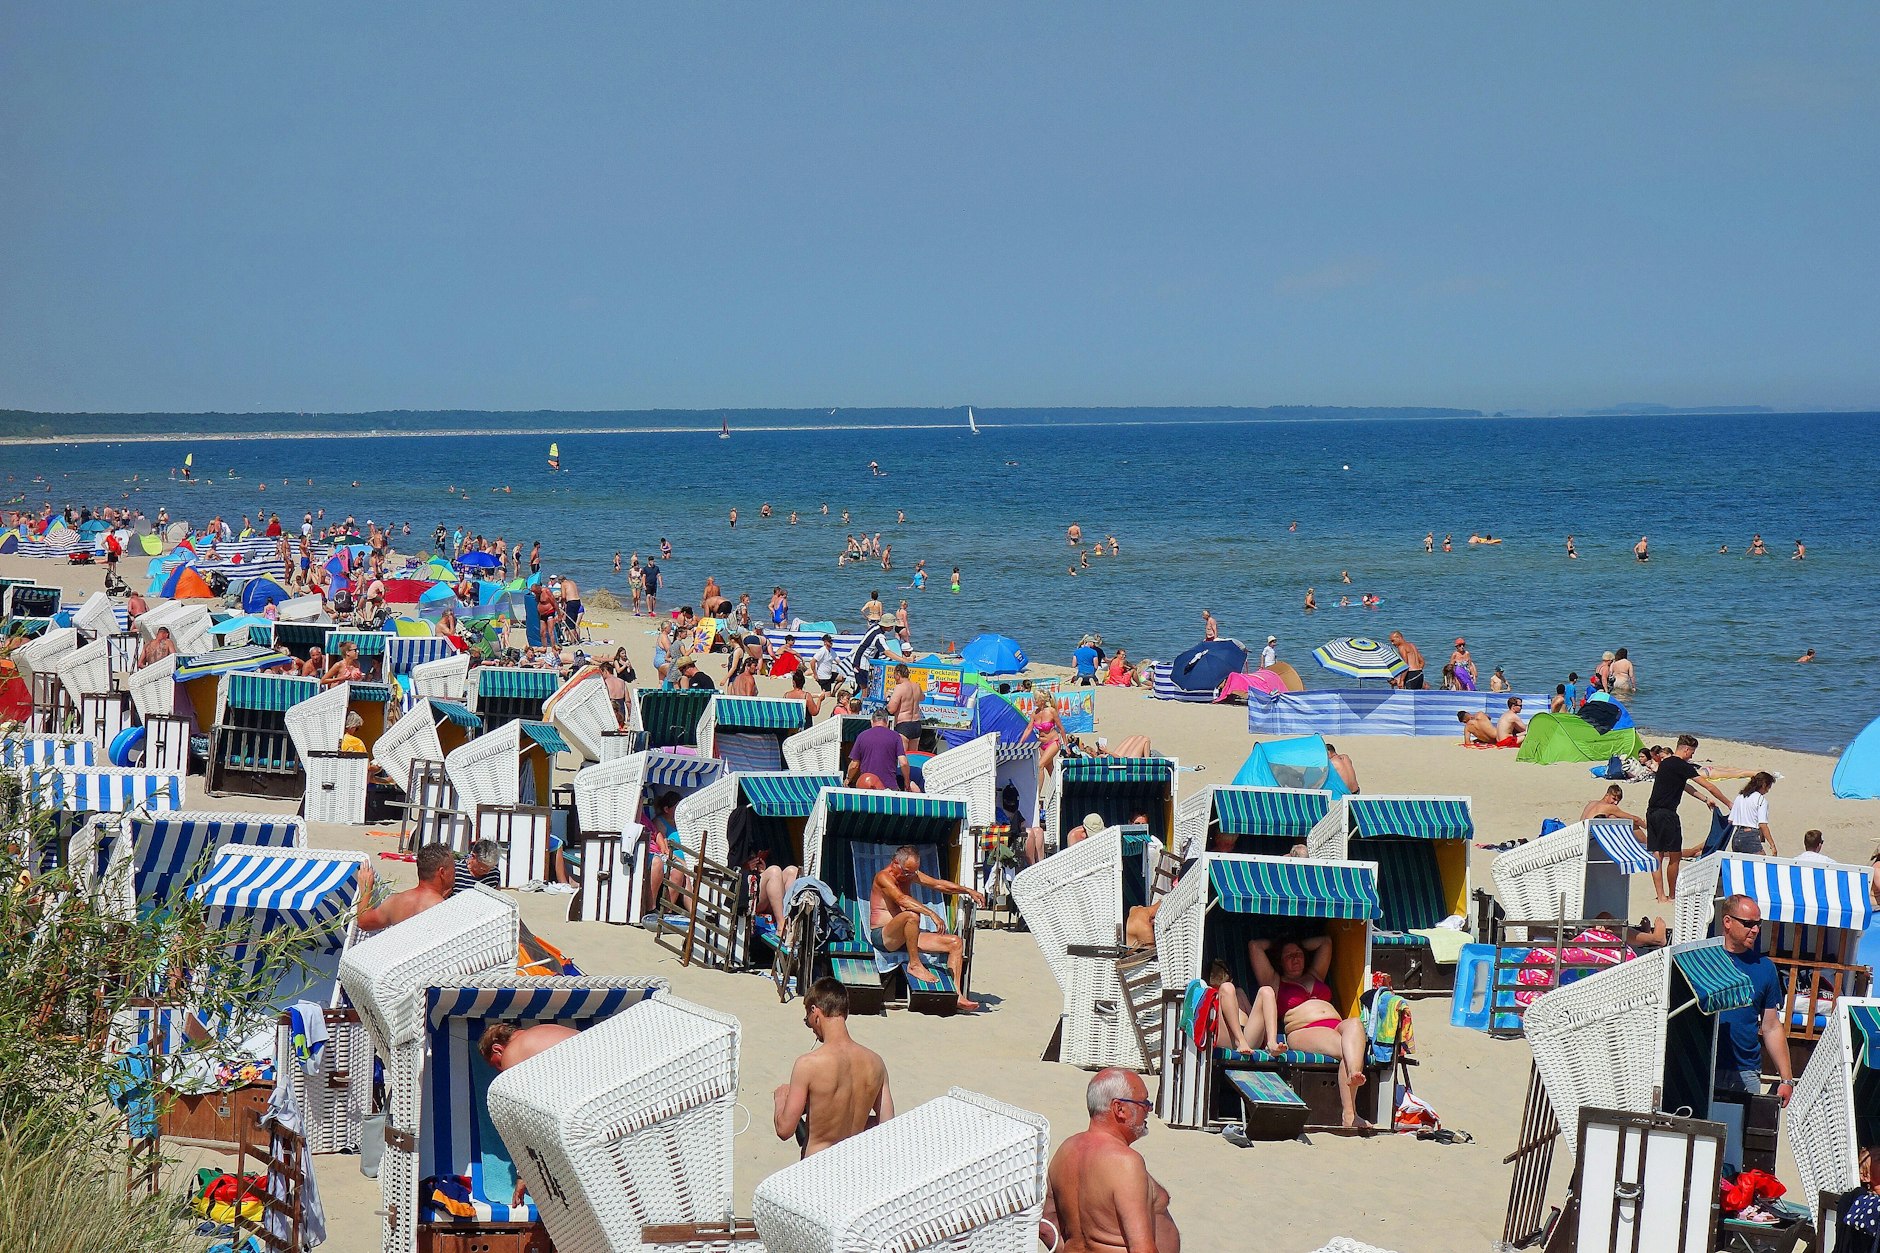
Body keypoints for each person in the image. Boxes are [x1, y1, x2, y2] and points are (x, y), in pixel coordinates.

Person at [1249, 937, 1370, 1127]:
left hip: (1335, 1025)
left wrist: (1300, 943)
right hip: (1304, 1030)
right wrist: (1278, 945)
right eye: (1289, 956)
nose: (1295, 959)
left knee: (1355, 1023)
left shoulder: (1315, 975)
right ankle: (1350, 1113)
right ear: (1280, 961)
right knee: (1347, 1049)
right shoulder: (1275, 982)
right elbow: (1255, 946)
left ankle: (1354, 1074)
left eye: (1298, 955)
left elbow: (1326, 942)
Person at [772, 979, 894, 1159]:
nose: (812, 1028)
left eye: (808, 1021)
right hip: (853, 1165)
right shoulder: (876, 1063)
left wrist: (780, 1099)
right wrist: (852, 1123)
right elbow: (887, 1126)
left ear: (815, 1012)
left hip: (817, 1166)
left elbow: (785, 1129)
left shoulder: (808, 1065)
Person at [869, 845, 983, 1011]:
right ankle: (914, 964)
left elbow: (938, 885)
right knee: (911, 915)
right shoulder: (883, 877)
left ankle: (957, 995)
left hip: (908, 935)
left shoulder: (908, 874)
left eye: (913, 872)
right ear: (895, 863)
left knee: (955, 943)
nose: (909, 876)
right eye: (907, 872)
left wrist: (967, 890)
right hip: (884, 936)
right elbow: (902, 899)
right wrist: (931, 913)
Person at [1713, 894, 1795, 1107]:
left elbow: (1771, 1026)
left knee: (1741, 1139)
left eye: (1758, 924)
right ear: (1727, 922)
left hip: (1746, 1069)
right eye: (1748, 924)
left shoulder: (1765, 967)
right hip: (1703, 1066)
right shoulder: (1705, 960)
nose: (1756, 930)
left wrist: (1786, 1079)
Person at [1646, 734, 1733, 902]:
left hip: (1652, 811)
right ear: (1686, 749)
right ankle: (1672, 895)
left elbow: (1684, 786)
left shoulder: (1665, 764)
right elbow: (1708, 785)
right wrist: (1728, 803)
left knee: (1657, 854)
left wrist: (1705, 800)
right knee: (1675, 856)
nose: (1692, 756)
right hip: (1667, 814)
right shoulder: (1681, 765)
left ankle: (1661, 896)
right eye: (1691, 752)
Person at [356, 842, 455, 931]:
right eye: (453, 868)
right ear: (442, 872)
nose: (455, 872)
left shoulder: (396, 901)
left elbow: (364, 922)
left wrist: (366, 887)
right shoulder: (443, 909)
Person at [848, 710, 917, 792]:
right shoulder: (895, 736)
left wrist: (848, 779)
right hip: (889, 787)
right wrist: (907, 781)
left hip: (866, 787)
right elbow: (903, 763)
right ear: (887, 722)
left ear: (871, 721)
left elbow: (854, 765)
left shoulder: (862, 736)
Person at [479, 1022, 578, 1072]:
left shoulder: (514, 1051)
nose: (501, 1070)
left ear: (498, 1049)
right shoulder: (550, 1028)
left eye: (498, 1064)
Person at [1727, 772, 1778, 855]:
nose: (1767, 791)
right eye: (1768, 787)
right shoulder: (1760, 799)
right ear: (1764, 785)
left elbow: (1730, 820)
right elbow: (1762, 825)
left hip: (1737, 836)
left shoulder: (1740, 797)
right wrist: (1772, 845)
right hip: (1750, 836)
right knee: (1761, 864)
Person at [1582, 784, 1648, 839]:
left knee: (1612, 817)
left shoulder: (1591, 803)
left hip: (1580, 837)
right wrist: (1645, 826)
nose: (1615, 803)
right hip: (1591, 838)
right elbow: (1635, 819)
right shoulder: (1609, 807)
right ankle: (1648, 846)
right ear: (1607, 794)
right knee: (1632, 824)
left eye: (1618, 801)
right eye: (1614, 799)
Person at [886, 663, 924, 751]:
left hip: (903, 724)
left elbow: (891, 709)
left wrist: (888, 700)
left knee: (902, 758)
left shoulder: (899, 687)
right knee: (912, 758)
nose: (894, 678)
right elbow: (922, 697)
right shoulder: (917, 686)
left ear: (898, 674)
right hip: (916, 724)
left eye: (894, 675)